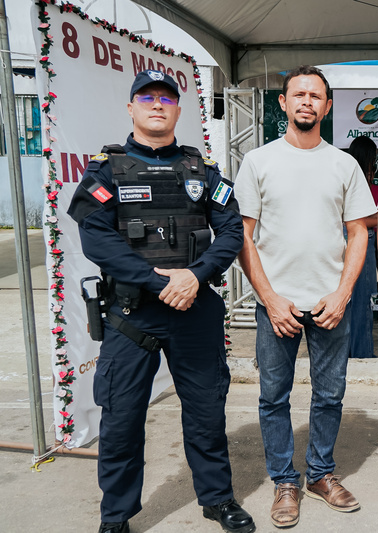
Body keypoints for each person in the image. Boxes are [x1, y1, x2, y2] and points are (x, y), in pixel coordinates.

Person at [67, 70, 253, 533]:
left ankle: (217, 499)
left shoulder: (201, 171)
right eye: (147, 97)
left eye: (166, 99)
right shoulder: (106, 170)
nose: (157, 104)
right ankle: (116, 516)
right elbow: (96, 237)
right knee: (122, 421)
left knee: (207, 413)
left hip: (194, 309)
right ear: (131, 107)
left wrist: (195, 275)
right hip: (132, 315)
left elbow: (232, 230)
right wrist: (156, 281)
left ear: (177, 110)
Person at [234, 65, 377, 528]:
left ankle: (319, 474)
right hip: (276, 305)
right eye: (299, 94)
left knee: (330, 395)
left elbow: (359, 234)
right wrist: (270, 298)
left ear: (327, 106)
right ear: (283, 102)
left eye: (316, 96)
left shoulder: (344, 164)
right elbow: (243, 236)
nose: (307, 102)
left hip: (329, 304)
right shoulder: (258, 161)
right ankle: (284, 481)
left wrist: (343, 293)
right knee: (273, 397)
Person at [347, 135, 378, 358]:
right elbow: (350, 219)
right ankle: (361, 354)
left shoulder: (373, 188)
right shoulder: (353, 185)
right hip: (360, 246)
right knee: (361, 303)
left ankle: (357, 352)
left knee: (360, 303)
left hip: (366, 248)